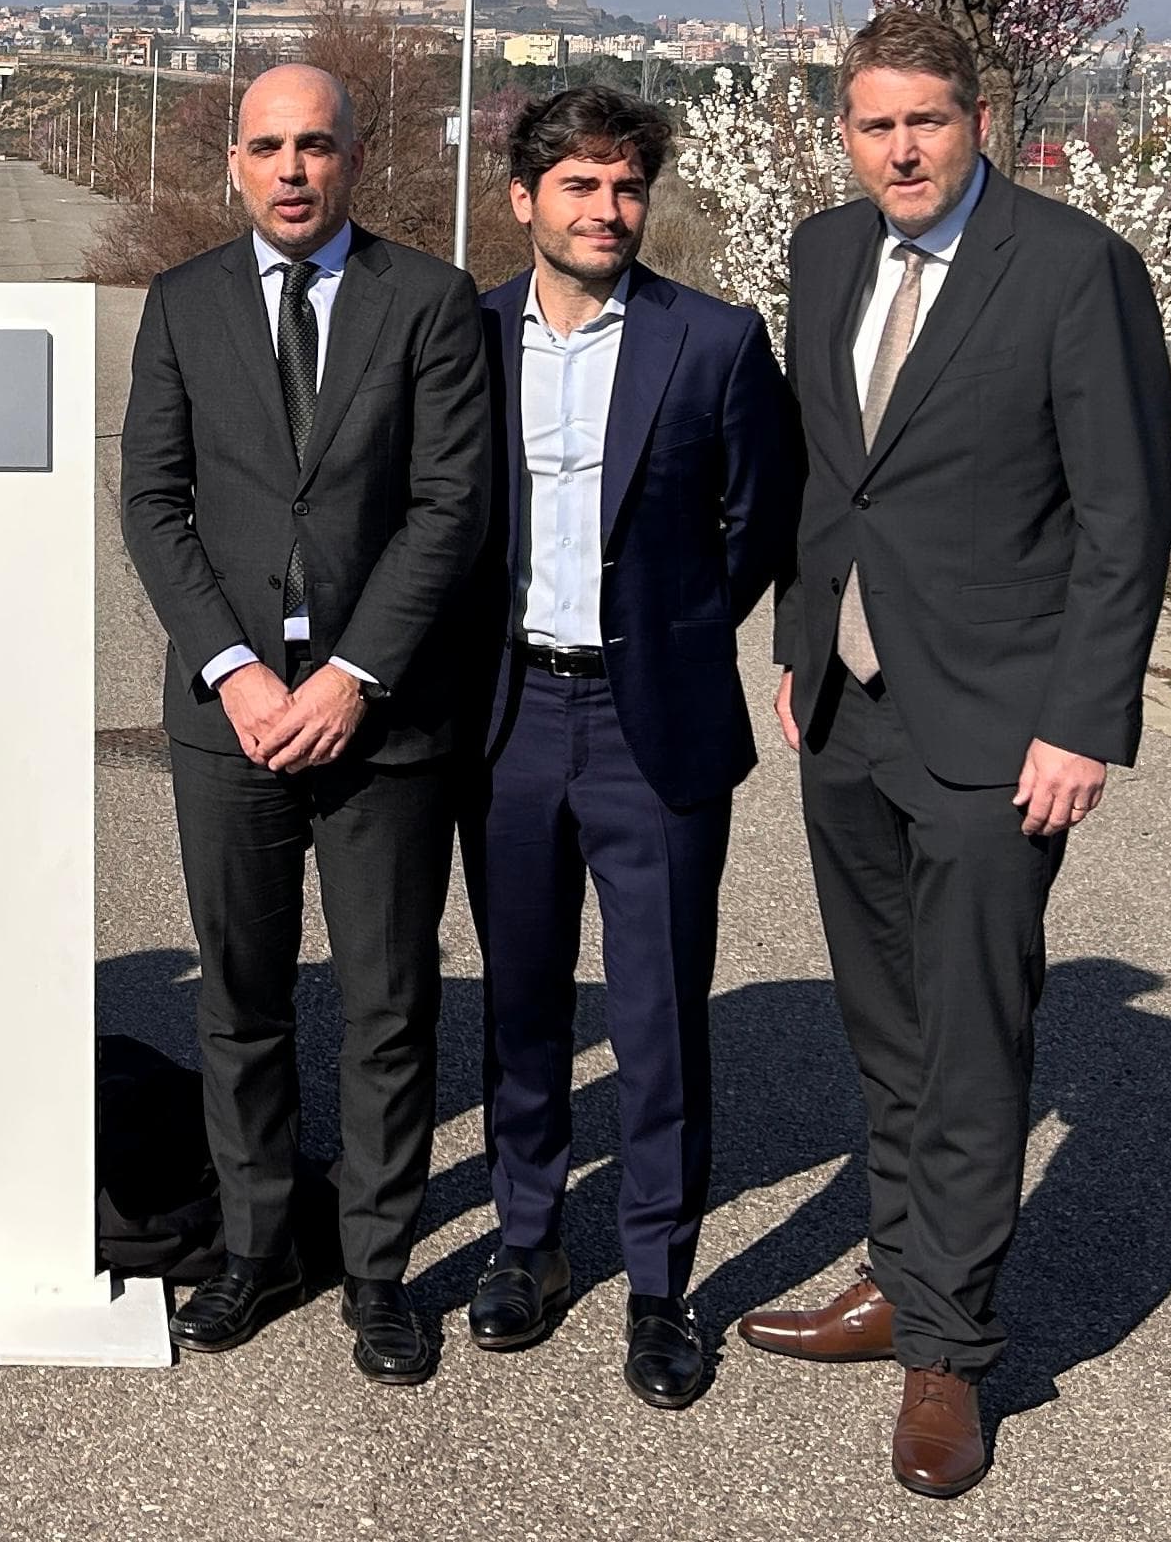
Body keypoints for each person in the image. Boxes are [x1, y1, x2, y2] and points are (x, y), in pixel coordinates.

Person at [739, 11, 1171, 1499]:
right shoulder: (819, 255)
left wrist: (1081, 719)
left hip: (1000, 727)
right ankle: (895, 1271)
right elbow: (823, 480)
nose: (902, 148)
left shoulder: (1067, 269)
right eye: (874, 125)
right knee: (884, 1023)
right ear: (843, 133)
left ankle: (951, 1349)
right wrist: (801, 645)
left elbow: (1124, 514)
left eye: (926, 119)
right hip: (848, 712)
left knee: (974, 1034)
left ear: (974, 118)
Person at [120, 62, 492, 1386]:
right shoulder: (180, 305)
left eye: (315, 145)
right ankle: (258, 1241)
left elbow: (451, 506)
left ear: (352, 160)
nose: (290, 168)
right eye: (267, 145)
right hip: (229, 721)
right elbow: (151, 504)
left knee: (390, 1000)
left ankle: (380, 1268)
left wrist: (350, 677)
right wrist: (233, 668)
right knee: (242, 998)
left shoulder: (431, 303)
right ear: (232, 161)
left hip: (380, 725)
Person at [452, 87, 799, 1410]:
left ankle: (661, 1283)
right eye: (579, 187)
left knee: (656, 1017)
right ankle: (526, 1242)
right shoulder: (466, 335)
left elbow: (760, 515)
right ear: (524, 200)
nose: (605, 210)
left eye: (625, 187)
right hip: (505, 720)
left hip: (650, 722)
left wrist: (677, 616)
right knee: (522, 1002)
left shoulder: (710, 341)